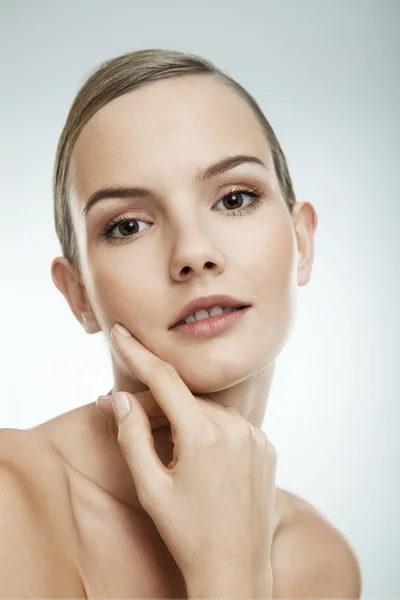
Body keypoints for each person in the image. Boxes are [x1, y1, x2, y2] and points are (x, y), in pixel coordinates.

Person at [0, 48, 362, 598]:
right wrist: (229, 575)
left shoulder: (318, 562)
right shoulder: (10, 502)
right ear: (79, 297)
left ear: (303, 242)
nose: (193, 253)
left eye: (235, 198)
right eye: (127, 226)